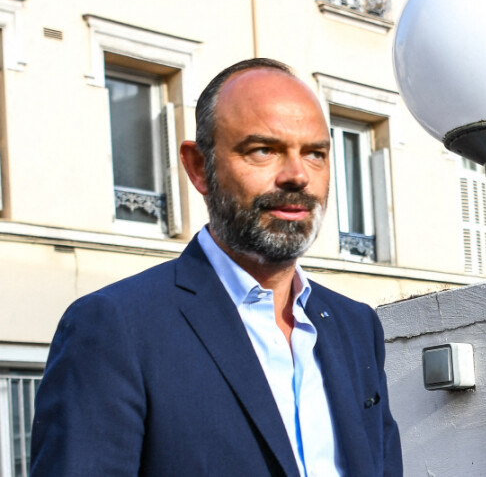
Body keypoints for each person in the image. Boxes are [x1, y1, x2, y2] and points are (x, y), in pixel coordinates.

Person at [31, 58, 403, 477]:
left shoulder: (355, 327)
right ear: (198, 167)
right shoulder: (115, 328)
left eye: (315, 153)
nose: (298, 175)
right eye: (264, 150)